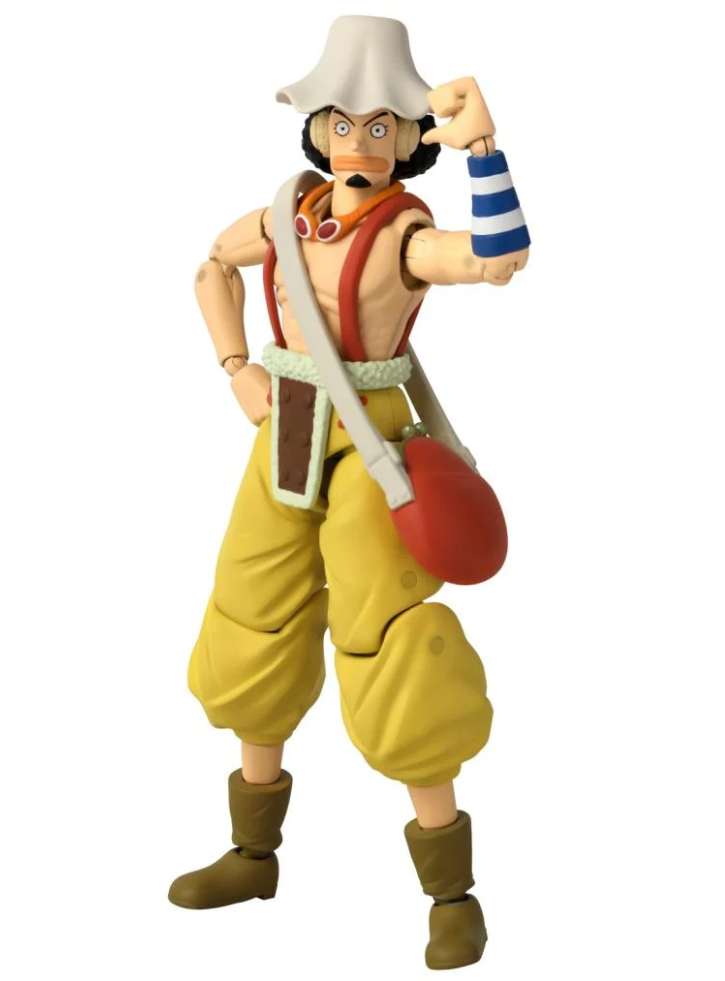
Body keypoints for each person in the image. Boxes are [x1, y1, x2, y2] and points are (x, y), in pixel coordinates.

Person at [169, 15, 529, 971]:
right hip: (281, 432)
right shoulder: (285, 212)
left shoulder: (406, 233)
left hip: (372, 445)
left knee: (392, 642)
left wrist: (484, 150)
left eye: (378, 125)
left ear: (409, 137)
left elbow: (496, 258)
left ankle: (451, 894)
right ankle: (253, 854)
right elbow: (210, 266)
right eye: (340, 121)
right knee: (253, 620)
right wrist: (236, 367)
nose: (357, 141)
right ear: (315, 127)